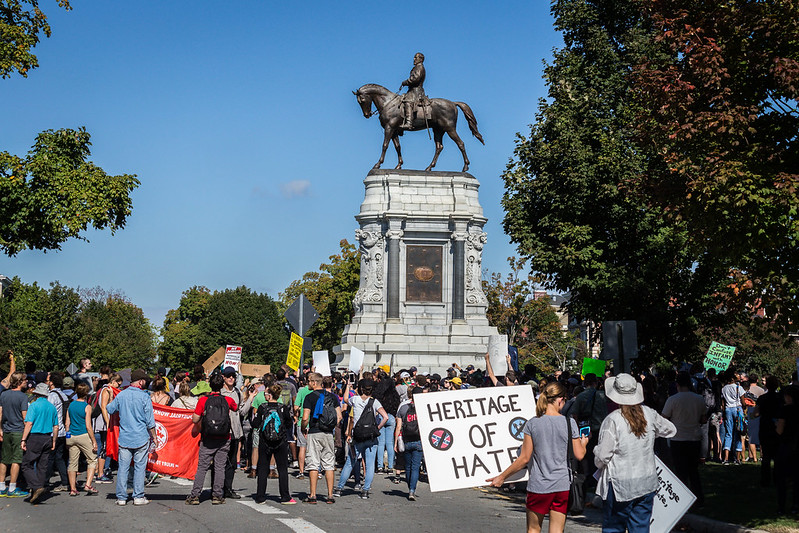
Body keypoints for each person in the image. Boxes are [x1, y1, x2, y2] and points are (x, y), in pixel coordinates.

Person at [488, 382, 588, 533]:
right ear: (560, 399)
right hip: (562, 484)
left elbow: (524, 458)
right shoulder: (570, 422)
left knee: (534, 529)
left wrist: (502, 477)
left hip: (539, 485)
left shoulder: (533, 423)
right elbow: (580, 455)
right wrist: (584, 443)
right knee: (557, 530)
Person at [594, 373, 677, 533]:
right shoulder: (649, 414)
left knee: (613, 528)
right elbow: (670, 429)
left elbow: (602, 457)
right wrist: (651, 435)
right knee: (640, 528)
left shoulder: (613, 420)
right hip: (646, 481)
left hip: (621, 484)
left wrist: (596, 453)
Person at [106, 369, 156, 506]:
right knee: (140, 468)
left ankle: (121, 497)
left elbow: (109, 409)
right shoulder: (145, 397)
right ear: (141, 382)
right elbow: (150, 421)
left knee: (123, 468)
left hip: (125, 438)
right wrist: (155, 437)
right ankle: (138, 496)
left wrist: (112, 396)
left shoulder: (121, 395)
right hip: (141, 437)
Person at [186, 372, 237, 505]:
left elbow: (195, 419)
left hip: (208, 438)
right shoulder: (227, 400)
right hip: (224, 437)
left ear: (209, 385)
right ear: (222, 385)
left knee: (202, 467)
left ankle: (195, 495)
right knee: (220, 467)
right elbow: (235, 408)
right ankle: (217, 495)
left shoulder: (203, 400)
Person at [335, 378, 387, 500]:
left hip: (357, 436)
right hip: (371, 437)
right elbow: (385, 417)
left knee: (350, 462)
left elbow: (346, 400)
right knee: (369, 465)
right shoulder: (375, 402)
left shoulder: (356, 400)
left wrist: (347, 386)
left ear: (361, 389)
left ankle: (339, 488)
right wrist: (377, 428)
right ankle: (365, 490)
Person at [662, 372, 706, 506]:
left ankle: (682, 500)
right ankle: (698, 498)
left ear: (677, 384)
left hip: (678, 438)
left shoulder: (673, 399)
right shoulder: (699, 399)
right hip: (694, 438)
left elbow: (664, 417)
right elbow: (703, 418)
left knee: (680, 472)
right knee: (693, 470)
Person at [301, 373, 342, 503]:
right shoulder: (332, 396)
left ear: (314, 383)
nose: (307, 383)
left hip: (314, 432)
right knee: (329, 464)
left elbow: (305, 417)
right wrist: (330, 426)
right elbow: (339, 417)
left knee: (313, 463)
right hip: (328, 433)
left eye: (308, 381)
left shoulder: (309, 397)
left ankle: (313, 495)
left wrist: (303, 428)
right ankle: (330, 495)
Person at [254, 384, 296, 504]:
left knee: (263, 468)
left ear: (269, 395)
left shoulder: (262, 408)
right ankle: (285, 496)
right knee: (282, 469)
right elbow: (289, 423)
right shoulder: (283, 407)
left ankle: (260, 496)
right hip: (280, 440)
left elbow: (255, 423)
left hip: (265, 441)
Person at [21, 382, 59, 504]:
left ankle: (36, 486)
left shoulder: (34, 405)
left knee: (26, 464)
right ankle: (38, 490)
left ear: (36, 393)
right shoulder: (52, 407)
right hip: (47, 437)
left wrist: (23, 439)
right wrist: (54, 441)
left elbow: (29, 423)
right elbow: (56, 426)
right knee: (43, 466)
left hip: (35, 437)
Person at [219, 366, 249, 500]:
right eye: (229, 376)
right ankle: (218, 488)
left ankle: (228, 488)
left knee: (231, 462)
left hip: (235, 432)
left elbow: (242, 411)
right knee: (219, 462)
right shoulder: (219, 392)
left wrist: (251, 398)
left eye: (233, 376)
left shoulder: (237, 392)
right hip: (220, 432)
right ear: (223, 378)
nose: (231, 378)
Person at [65, 382, 99, 496]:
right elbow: (88, 426)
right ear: (86, 394)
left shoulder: (71, 405)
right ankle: (88, 484)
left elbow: (67, 422)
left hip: (72, 435)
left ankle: (73, 489)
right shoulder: (87, 407)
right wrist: (94, 441)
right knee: (92, 459)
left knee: (72, 463)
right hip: (83, 435)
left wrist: (67, 434)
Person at [0, 371, 30, 497]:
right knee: (16, 460)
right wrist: (27, 434)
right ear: (19, 382)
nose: (27, 382)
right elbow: (25, 417)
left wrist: (0, 429)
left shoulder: (4, 395)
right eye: (25, 380)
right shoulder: (23, 397)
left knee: (4, 459)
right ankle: (12, 487)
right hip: (18, 430)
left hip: (6, 429)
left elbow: (0, 413)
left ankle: (1, 486)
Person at [394, 386, 426, 500]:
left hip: (406, 440)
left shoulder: (403, 408)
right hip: (419, 440)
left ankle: (409, 486)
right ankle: (412, 490)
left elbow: (398, 426)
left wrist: (395, 442)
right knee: (416, 467)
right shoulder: (424, 409)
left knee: (407, 466)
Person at [94, 372, 122, 483]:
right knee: (104, 447)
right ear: (113, 381)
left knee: (104, 447)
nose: (118, 387)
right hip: (103, 424)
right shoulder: (105, 390)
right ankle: (100, 474)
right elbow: (104, 408)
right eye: (118, 384)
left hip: (103, 423)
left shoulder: (105, 390)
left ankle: (99, 471)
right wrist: (108, 422)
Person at [775, 385, 799, 514]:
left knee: (782, 479)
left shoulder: (785, 410)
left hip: (786, 445)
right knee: (796, 478)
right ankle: (795, 505)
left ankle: (781, 506)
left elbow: (780, 430)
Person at [46, 372, 70, 491]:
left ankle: (44, 482)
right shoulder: (63, 395)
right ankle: (65, 482)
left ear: (51, 382)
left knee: (50, 457)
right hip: (62, 430)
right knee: (59, 457)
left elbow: (48, 411)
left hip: (53, 430)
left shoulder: (52, 396)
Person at [721, 371, 746, 464]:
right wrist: (744, 407)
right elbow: (743, 401)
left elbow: (723, 403)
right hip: (737, 409)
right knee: (738, 433)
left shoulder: (724, 388)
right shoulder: (739, 388)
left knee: (729, 433)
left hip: (728, 409)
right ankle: (737, 459)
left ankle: (726, 458)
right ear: (732, 378)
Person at [400, 52, 426, 129]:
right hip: (412, 90)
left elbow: (415, 79)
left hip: (416, 91)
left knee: (408, 101)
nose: (414, 59)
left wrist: (406, 82)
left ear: (421, 59)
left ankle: (409, 123)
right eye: (414, 57)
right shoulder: (416, 67)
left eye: (416, 57)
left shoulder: (419, 67)